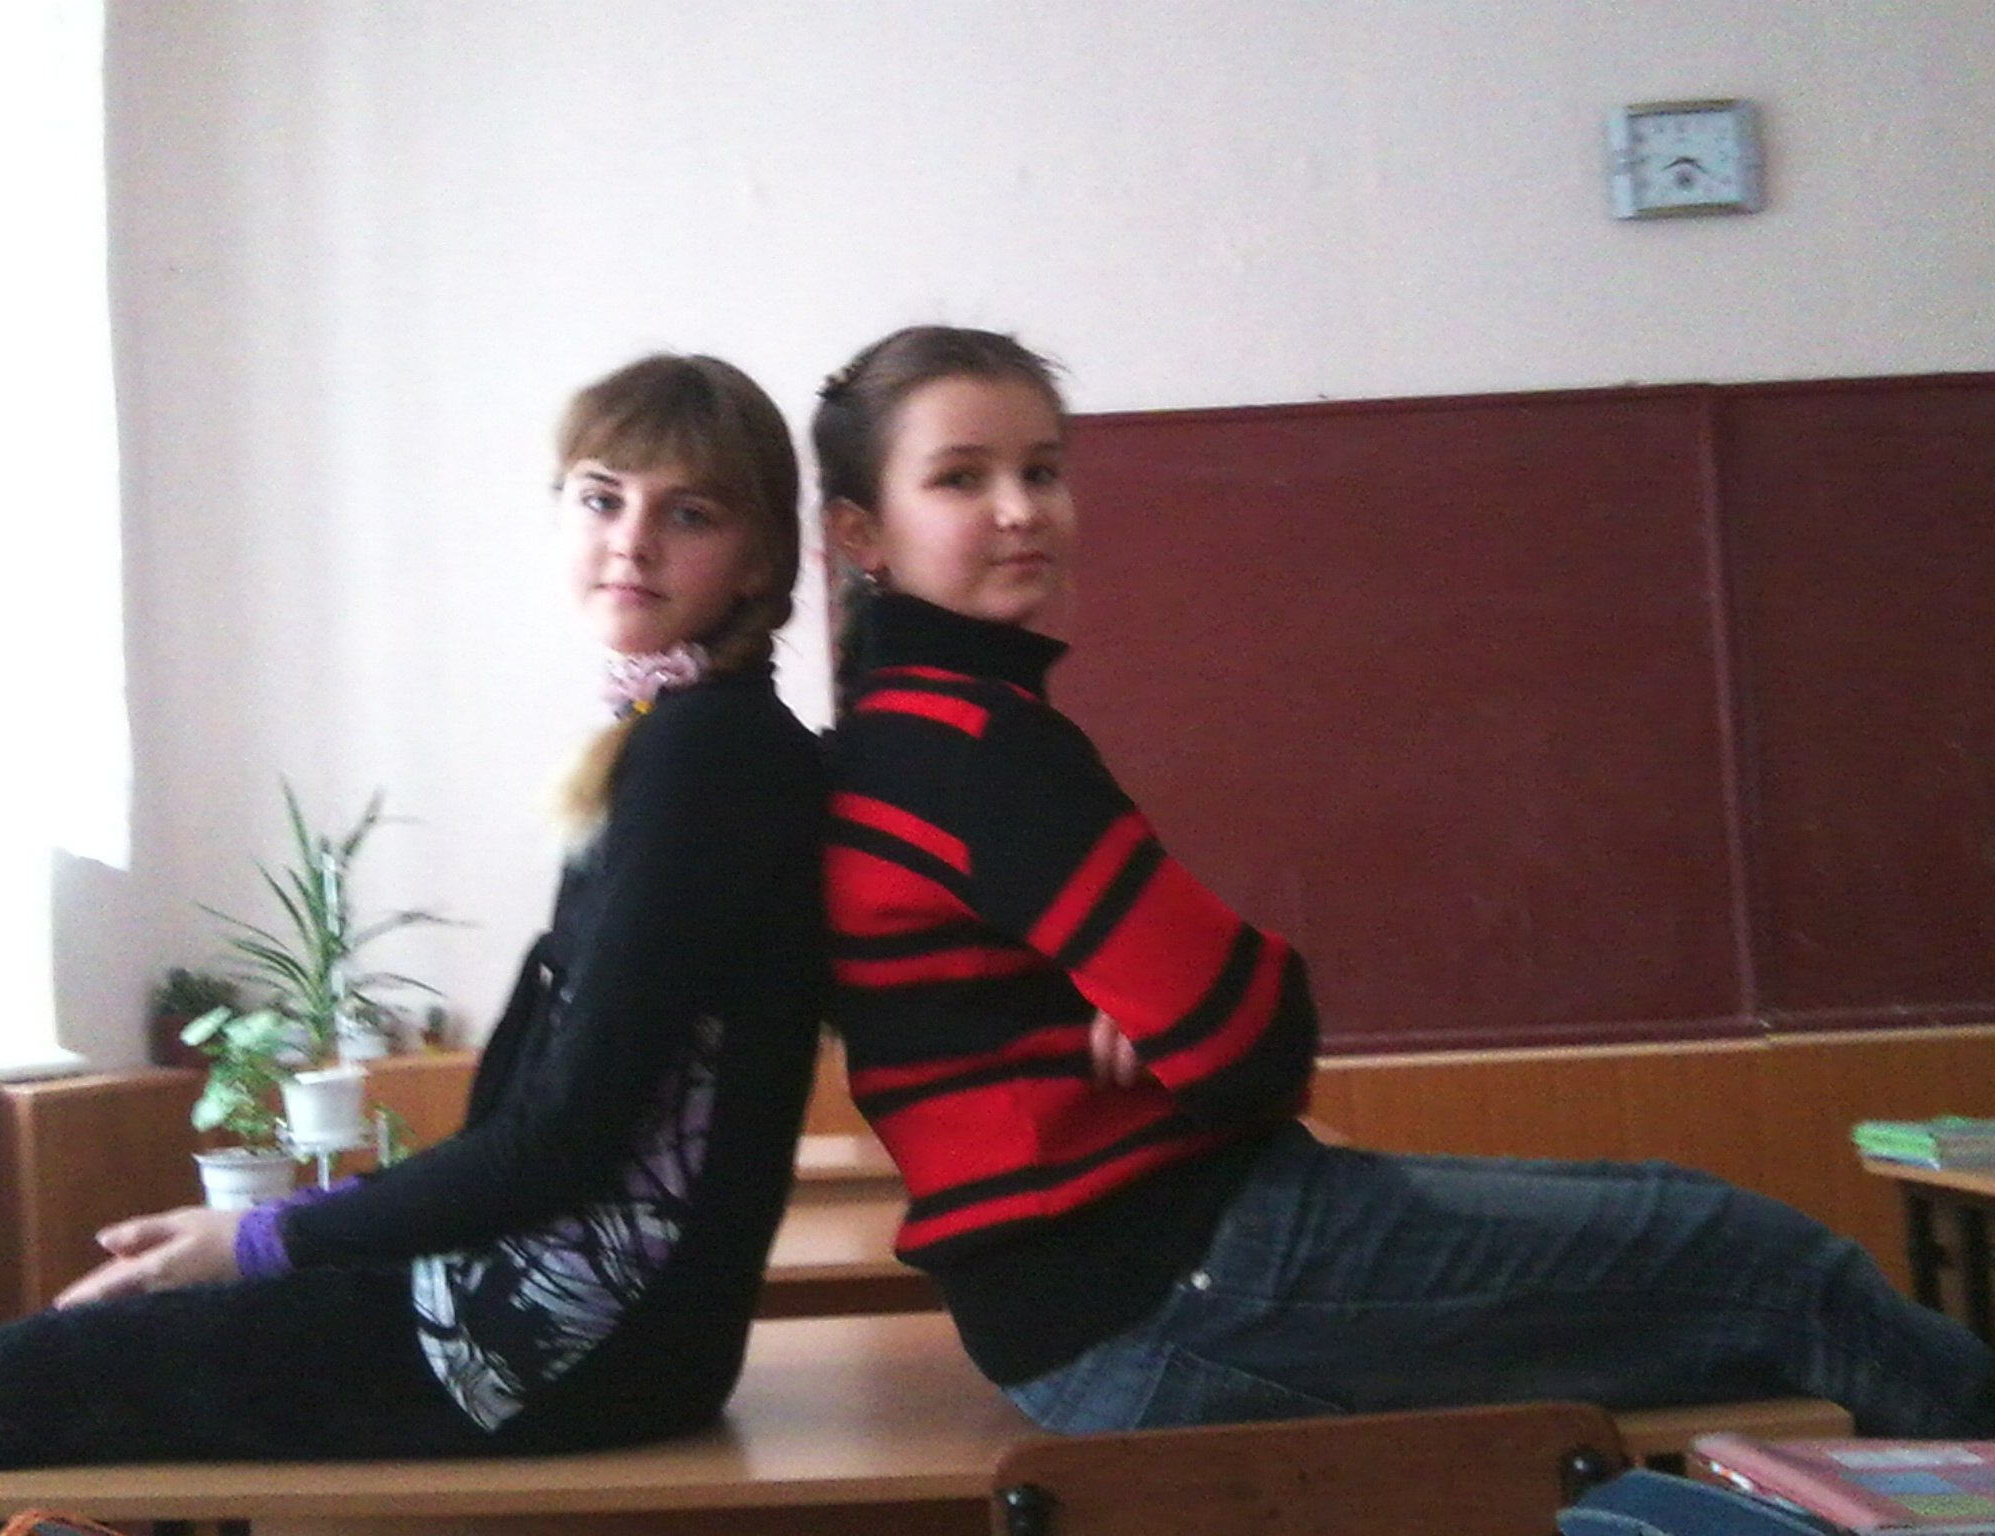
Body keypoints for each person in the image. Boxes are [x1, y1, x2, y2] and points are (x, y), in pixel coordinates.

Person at [811, 322, 1995, 1438]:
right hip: (1164, 1293)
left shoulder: (898, 736)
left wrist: (1173, 1015)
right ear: (862, 535)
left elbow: (1190, 1031)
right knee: (1773, 1269)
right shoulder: (967, 745)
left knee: (1704, 1238)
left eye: (1042, 469)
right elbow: (1248, 1043)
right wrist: (1201, 1010)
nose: (1021, 509)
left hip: (1121, 1289)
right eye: (959, 479)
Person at [0, 353, 828, 1507]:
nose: (631, 542)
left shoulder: (709, 754)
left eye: (689, 514)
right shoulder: (687, 737)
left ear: (760, 558)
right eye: (601, 498)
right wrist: (278, 1228)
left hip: (562, 1336)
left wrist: (257, 1240)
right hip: (601, 1329)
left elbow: (561, 1139)